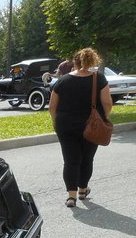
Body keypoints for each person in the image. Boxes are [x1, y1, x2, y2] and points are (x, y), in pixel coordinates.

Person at [48, 47, 113, 208]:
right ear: (92, 62)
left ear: (74, 63)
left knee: (70, 161)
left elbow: (52, 107)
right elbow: (107, 103)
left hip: (66, 126)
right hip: (91, 125)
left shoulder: (62, 81)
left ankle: (71, 197)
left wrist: (56, 121)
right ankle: (83, 190)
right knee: (87, 159)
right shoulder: (99, 79)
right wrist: (103, 117)